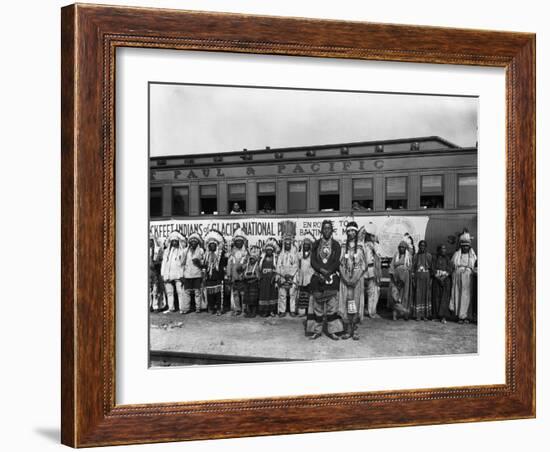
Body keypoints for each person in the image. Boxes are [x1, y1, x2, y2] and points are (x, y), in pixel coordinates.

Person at [306, 220, 344, 340]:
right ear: (321, 230)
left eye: (329, 228)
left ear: (331, 230)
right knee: (317, 307)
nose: (327, 230)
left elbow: (337, 261)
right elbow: (312, 261)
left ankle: (332, 331)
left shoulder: (336, 245)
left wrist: (329, 271)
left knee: (332, 306)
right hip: (318, 278)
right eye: (325, 228)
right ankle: (317, 331)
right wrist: (321, 271)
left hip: (331, 278)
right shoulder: (316, 244)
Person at [338, 222, 366, 340]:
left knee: (355, 304)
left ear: (356, 232)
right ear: (346, 232)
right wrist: (345, 277)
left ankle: (354, 330)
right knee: (346, 304)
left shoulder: (360, 246)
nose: (351, 233)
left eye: (353, 231)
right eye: (349, 231)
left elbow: (363, 265)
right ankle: (347, 329)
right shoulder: (343, 246)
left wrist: (355, 278)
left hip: (357, 280)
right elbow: (340, 263)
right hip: (345, 280)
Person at [450, 231, 477, 324]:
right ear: (461, 246)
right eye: (463, 246)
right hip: (458, 276)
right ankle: (459, 316)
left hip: (468, 277)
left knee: (466, 296)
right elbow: (453, 264)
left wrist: (467, 270)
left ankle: (466, 316)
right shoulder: (457, 255)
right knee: (458, 295)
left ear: (469, 247)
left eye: (467, 246)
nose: (465, 247)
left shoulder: (472, 256)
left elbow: (472, 266)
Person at [276, 223, 299, 317]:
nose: (287, 245)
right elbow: (278, 265)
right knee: (282, 294)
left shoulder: (294, 254)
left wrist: (290, 275)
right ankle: (282, 310)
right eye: (286, 244)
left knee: (292, 293)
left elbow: (296, 265)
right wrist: (281, 275)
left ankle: (292, 310)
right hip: (282, 276)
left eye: (289, 244)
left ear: (291, 244)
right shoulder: (281, 254)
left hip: (292, 276)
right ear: (284, 245)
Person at [202, 230, 227, 315]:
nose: (212, 246)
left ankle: (219, 309)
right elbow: (205, 266)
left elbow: (224, 264)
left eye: (214, 245)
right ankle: (211, 307)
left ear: (216, 245)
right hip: (209, 278)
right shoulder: (206, 255)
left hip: (218, 277)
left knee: (219, 295)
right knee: (210, 294)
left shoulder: (221, 254)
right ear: (208, 246)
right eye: (210, 245)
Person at [160, 231, 186, 314]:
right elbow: (164, 262)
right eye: (172, 241)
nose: (174, 242)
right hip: (168, 274)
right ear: (170, 242)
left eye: (176, 241)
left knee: (180, 292)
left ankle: (182, 308)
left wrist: (183, 274)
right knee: (169, 292)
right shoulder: (167, 251)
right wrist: (162, 273)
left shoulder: (182, 251)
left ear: (178, 242)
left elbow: (183, 263)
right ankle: (171, 308)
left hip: (179, 274)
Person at [226, 228, 248, 315]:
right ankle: (238, 309)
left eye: (240, 241)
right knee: (235, 293)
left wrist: (243, 267)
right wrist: (228, 275)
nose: (239, 243)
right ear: (235, 242)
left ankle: (244, 309)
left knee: (243, 293)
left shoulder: (246, 252)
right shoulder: (232, 252)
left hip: (243, 277)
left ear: (243, 242)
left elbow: (249, 263)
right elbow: (229, 265)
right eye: (237, 241)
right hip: (234, 277)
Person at [388, 240, 413, 320]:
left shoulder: (408, 257)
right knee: (395, 297)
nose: (401, 249)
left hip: (405, 280)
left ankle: (404, 313)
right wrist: (394, 280)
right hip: (396, 279)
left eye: (403, 247)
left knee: (405, 295)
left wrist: (403, 279)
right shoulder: (396, 255)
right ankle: (396, 314)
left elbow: (410, 268)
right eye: (400, 247)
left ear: (405, 248)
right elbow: (392, 267)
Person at [182, 232, 205, 313]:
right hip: (187, 274)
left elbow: (204, 263)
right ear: (189, 242)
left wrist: (199, 262)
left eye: (195, 241)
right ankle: (186, 308)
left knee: (197, 292)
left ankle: (198, 308)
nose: (193, 242)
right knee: (187, 292)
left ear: (198, 242)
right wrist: (182, 274)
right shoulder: (185, 251)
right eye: (192, 241)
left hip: (197, 274)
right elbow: (182, 263)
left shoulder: (201, 251)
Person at [363, 223, 382, 319]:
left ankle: (371, 311)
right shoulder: (364, 246)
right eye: (372, 236)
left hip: (372, 270)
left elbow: (378, 256)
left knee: (373, 292)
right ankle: (369, 311)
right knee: (371, 292)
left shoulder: (374, 246)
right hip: (367, 271)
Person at [411, 240, 433, 320]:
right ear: (418, 247)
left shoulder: (429, 256)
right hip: (418, 278)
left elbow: (431, 269)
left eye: (423, 246)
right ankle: (418, 315)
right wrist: (413, 279)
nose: (422, 247)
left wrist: (430, 280)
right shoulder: (415, 256)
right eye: (420, 246)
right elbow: (413, 268)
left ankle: (425, 315)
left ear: (426, 247)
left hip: (426, 277)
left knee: (426, 295)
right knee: (418, 294)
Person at [258, 238, 279, 317]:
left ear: (273, 251)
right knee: (264, 296)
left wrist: (274, 277)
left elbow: (277, 269)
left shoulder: (275, 259)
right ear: (265, 251)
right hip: (264, 280)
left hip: (272, 280)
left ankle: (272, 311)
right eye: (268, 250)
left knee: (272, 295)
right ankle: (265, 311)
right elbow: (259, 269)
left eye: (270, 250)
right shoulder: (261, 259)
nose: (269, 251)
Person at [431, 244, 452, 323]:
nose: (444, 250)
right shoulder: (434, 258)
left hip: (445, 280)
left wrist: (444, 277)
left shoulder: (447, 259)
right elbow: (432, 269)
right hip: (437, 280)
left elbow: (450, 269)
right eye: (442, 249)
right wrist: (438, 278)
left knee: (444, 298)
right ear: (438, 250)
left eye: (445, 248)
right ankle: (436, 316)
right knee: (436, 297)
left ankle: (443, 316)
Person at [297, 233, 316, 317]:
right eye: (304, 245)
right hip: (302, 277)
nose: (306, 246)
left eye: (308, 245)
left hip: (310, 277)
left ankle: (310, 312)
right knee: (302, 295)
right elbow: (298, 266)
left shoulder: (312, 255)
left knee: (310, 295)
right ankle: (302, 312)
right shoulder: (300, 254)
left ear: (310, 246)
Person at [243, 245, 261, 317]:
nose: (251, 260)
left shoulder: (256, 267)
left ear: (256, 260)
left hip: (254, 284)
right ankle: (248, 312)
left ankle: (253, 312)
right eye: (250, 259)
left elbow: (258, 277)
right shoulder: (247, 266)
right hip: (247, 284)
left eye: (253, 259)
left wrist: (252, 277)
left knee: (253, 300)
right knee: (248, 300)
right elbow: (239, 268)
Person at [149, 235, 165, 312]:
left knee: (156, 290)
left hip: (155, 272)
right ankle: (149, 306)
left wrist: (155, 263)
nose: (149, 242)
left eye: (151, 240)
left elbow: (161, 260)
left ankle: (155, 306)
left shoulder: (158, 250)